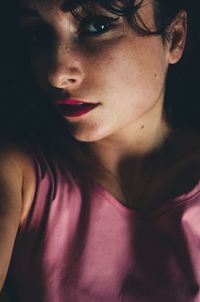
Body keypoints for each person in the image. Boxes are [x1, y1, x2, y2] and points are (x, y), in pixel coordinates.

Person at [0, 0, 200, 301]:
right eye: (40, 34)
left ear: (175, 37)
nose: (56, 73)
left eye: (97, 25)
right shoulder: (19, 177)